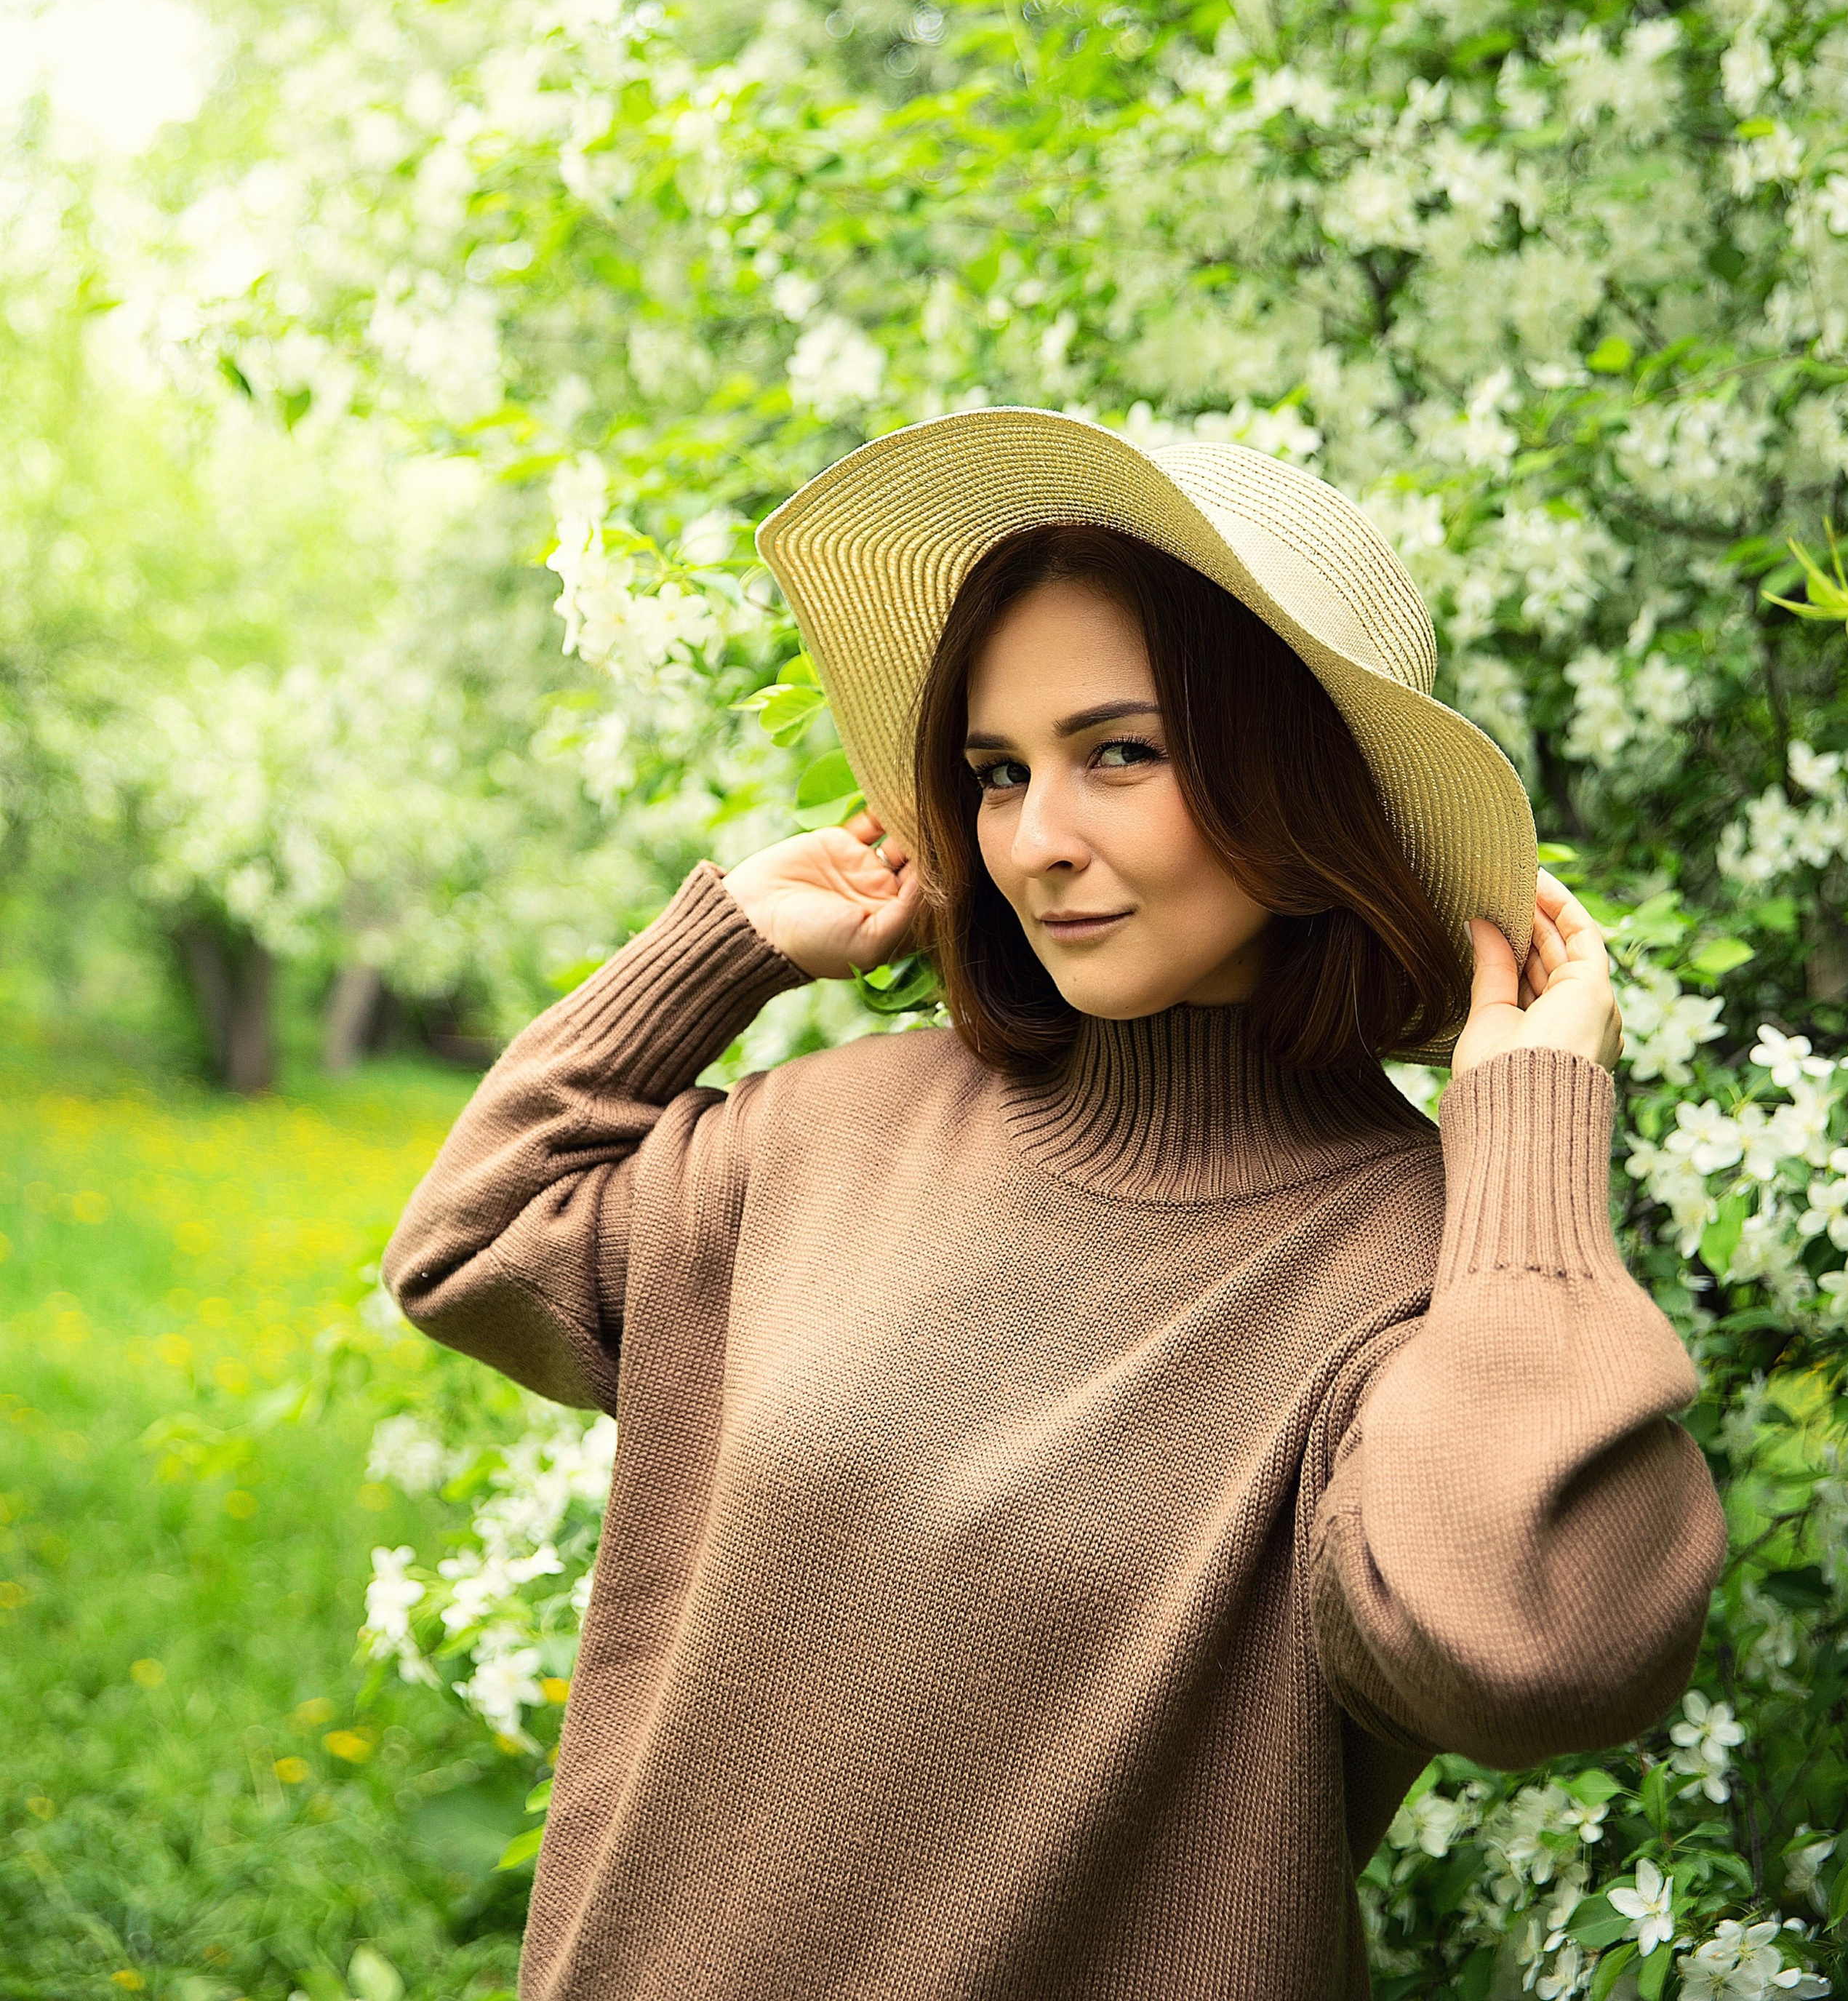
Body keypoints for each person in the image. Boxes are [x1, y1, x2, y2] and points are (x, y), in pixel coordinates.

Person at [384, 407, 1725, 2001]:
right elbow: (473, 1241)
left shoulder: (1420, 1274)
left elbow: (1532, 1648)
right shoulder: (825, 1137)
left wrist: (1524, 1141)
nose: (1033, 841)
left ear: (1301, 796)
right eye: (995, 771)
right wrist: (727, 940)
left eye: (1118, 754)